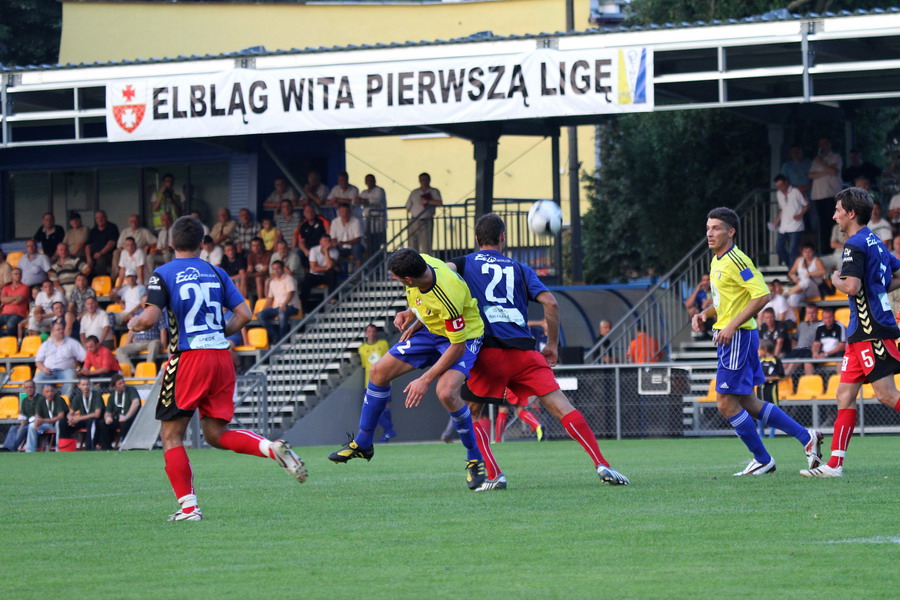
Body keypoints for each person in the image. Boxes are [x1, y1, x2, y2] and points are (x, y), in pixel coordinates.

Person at [129, 215, 306, 521]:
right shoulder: (217, 271)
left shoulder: (163, 272)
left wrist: (131, 321)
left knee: (172, 435)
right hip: (221, 358)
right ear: (202, 244)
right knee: (214, 433)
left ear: (171, 243)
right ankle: (269, 448)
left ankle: (189, 508)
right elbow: (245, 314)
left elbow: (148, 318)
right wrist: (216, 333)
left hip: (189, 358)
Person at [444, 214, 628, 488]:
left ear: (476, 239)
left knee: (471, 411)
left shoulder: (464, 263)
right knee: (560, 405)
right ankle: (602, 463)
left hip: (488, 352)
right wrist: (552, 345)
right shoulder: (521, 269)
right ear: (503, 237)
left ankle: (495, 475)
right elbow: (551, 303)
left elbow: (437, 274)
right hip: (525, 351)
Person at [327, 248, 487, 491]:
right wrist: (412, 313)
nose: (394, 279)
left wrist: (425, 379)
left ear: (409, 279)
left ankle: (475, 459)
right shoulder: (422, 262)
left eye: (395, 277)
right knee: (379, 372)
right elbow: (440, 278)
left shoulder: (449, 294)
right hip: (431, 331)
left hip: (461, 339)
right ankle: (363, 443)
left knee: (446, 393)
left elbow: (457, 346)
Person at [692, 206, 822, 476]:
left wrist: (730, 325)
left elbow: (761, 296)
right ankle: (805, 437)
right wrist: (705, 313)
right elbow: (723, 301)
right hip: (734, 336)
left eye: (715, 228)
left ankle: (763, 458)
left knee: (725, 403)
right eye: (707, 228)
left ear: (731, 232)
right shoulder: (716, 260)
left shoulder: (737, 260)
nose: (710, 233)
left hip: (738, 337)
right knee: (749, 402)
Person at [801, 189, 900, 477]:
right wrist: (878, 288)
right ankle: (834, 465)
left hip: (871, 330)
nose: (834, 216)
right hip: (861, 332)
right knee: (844, 394)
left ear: (851, 214)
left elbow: (852, 287)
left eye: (838, 211)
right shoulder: (877, 243)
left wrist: (834, 278)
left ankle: (835, 464)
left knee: (886, 395)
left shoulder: (854, 244)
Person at [357, 324, 394, 442]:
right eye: (369, 331)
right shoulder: (362, 348)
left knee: (386, 407)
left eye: (373, 331)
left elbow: (389, 361)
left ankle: (388, 433)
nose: (371, 333)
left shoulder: (383, 344)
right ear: (366, 333)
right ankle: (389, 430)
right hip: (369, 383)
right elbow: (364, 366)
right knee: (372, 409)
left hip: (385, 380)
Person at [34, 321, 85, 399]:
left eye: (62, 329)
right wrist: (43, 369)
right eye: (58, 329)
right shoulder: (46, 344)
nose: (61, 331)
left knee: (70, 378)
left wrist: (81, 368)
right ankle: (40, 401)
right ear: (52, 332)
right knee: (37, 379)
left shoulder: (72, 343)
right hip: (48, 371)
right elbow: (38, 361)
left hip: (66, 370)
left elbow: (84, 357)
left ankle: (64, 401)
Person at [809, 137, 843, 253]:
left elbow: (834, 171)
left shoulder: (835, 157)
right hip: (819, 195)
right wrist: (826, 170)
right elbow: (811, 175)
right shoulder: (817, 159)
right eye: (820, 144)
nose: (822, 146)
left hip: (832, 194)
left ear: (829, 144)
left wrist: (821, 164)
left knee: (833, 222)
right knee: (823, 225)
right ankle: (825, 250)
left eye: (824, 143)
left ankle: (836, 248)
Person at [258, 260, 301, 343]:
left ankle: (283, 339)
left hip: (291, 306)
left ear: (282, 269)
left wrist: (284, 304)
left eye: (278, 268)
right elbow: (270, 298)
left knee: (282, 314)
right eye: (274, 269)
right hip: (277, 307)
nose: (276, 271)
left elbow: (290, 293)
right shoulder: (272, 282)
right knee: (261, 315)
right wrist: (263, 309)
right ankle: (275, 336)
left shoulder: (289, 279)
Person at [96, 373, 142, 449]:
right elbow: (108, 411)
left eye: (123, 382)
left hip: (130, 418)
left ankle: (126, 446)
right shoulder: (112, 396)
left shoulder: (131, 390)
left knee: (125, 423)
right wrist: (108, 418)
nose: (123, 384)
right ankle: (106, 447)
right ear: (114, 387)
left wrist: (127, 416)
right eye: (120, 383)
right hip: (119, 418)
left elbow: (136, 403)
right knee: (102, 423)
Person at [772, 173, 809, 267]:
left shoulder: (796, 191)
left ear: (786, 182)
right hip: (784, 226)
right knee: (779, 248)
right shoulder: (778, 194)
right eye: (778, 186)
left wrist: (800, 214)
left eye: (781, 185)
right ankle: (792, 268)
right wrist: (777, 220)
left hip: (796, 226)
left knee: (793, 250)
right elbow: (782, 209)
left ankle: (792, 272)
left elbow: (806, 205)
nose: (780, 188)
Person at [58, 376, 104, 450]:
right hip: (82, 420)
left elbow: (97, 414)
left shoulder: (96, 395)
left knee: (91, 421)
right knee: (63, 422)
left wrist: (78, 418)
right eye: (83, 385)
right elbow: (71, 412)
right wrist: (70, 418)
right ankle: (66, 447)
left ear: (90, 385)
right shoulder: (78, 397)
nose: (85, 387)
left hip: (94, 420)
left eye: (87, 384)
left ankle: (89, 448)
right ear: (79, 386)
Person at [300, 234, 339, 313]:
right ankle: (303, 306)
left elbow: (330, 266)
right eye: (325, 241)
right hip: (315, 276)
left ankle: (332, 298)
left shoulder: (335, 252)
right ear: (320, 242)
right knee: (307, 278)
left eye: (329, 241)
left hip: (326, 276)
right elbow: (314, 268)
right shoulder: (313, 250)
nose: (327, 243)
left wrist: (326, 252)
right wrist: (326, 268)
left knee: (332, 272)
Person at [405, 172, 443, 254]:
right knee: (412, 244)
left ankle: (426, 264)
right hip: (414, 220)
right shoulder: (414, 192)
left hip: (426, 221)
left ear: (429, 180)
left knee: (426, 245)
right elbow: (408, 206)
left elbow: (440, 203)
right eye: (422, 180)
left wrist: (428, 201)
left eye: (426, 180)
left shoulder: (434, 191)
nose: (424, 182)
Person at [25, 383, 67, 453]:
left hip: (57, 424)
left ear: (55, 392)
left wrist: (43, 420)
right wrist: (37, 422)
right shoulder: (41, 400)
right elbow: (37, 415)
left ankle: (58, 449)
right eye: (47, 392)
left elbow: (61, 416)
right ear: (43, 393)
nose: (50, 393)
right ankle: (30, 451)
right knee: (31, 426)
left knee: (58, 424)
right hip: (47, 425)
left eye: (51, 391)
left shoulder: (59, 399)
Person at [113, 214, 155, 283]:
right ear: (128, 222)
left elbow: (155, 243)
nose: (133, 223)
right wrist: (126, 252)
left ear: (139, 222)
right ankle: (115, 275)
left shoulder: (144, 231)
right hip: (126, 254)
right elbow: (119, 246)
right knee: (116, 253)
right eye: (131, 221)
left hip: (141, 254)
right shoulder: (125, 232)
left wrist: (148, 246)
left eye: (135, 221)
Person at [756, 340, 784, 439]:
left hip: (771, 389)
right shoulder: (759, 360)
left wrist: (768, 379)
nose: (758, 351)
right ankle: (761, 433)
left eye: (760, 349)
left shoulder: (776, 360)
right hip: (760, 389)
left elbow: (781, 376)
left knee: (772, 409)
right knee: (758, 410)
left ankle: (772, 434)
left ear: (766, 349)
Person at [783, 303, 821, 377]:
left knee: (794, 363)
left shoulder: (821, 325)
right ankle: (781, 379)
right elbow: (794, 338)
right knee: (784, 362)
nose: (811, 315)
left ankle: (782, 378)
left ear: (817, 312)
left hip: (809, 350)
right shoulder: (802, 325)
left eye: (813, 313)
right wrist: (793, 348)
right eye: (808, 313)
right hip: (798, 349)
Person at [1, 380, 39, 452]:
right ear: (24, 389)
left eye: (31, 387)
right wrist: (22, 423)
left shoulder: (40, 399)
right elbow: (22, 415)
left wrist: (23, 426)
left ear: (35, 388)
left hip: (37, 423)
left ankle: (12, 448)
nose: (29, 389)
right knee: (13, 428)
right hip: (27, 423)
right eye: (26, 388)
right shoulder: (24, 400)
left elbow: (40, 415)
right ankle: (7, 447)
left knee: (22, 429)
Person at [786, 244, 827, 309]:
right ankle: (794, 317)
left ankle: (787, 294)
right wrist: (794, 277)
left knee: (807, 281)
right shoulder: (799, 260)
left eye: (809, 252)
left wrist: (811, 274)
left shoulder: (817, 260)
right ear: (802, 253)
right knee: (793, 297)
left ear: (813, 252)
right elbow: (791, 272)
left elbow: (823, 271)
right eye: (805, 252)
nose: (807, 254)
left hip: (814, 288)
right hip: (801, 289)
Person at [330, 203, 365, 272]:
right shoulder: (335, 222)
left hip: (354, 247)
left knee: (357, 247)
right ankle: (337, 271)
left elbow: (358, 239)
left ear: (350, 212)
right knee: (331, 249)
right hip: (341, 248)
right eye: (342, 212)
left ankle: (358, 275)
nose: (345, 214)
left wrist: (344, 242)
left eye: (347, 211)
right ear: (339, 212)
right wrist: (335, 243)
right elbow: (333, 237)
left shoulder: (356, 221)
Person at [811, 306, 846, 373]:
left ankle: (840, 379)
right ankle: (810, 380)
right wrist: (815, 352)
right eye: (826, 318)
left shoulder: (840, 326)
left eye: (830, 317)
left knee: (840, 358)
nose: (828, 320)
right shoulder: (819, 327)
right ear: (823, 319)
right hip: (823, 353)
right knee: (808, 361)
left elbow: (841, 346)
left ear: (834, 317)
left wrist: (826, 354)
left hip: (836, 352)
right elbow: (816, 343)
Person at [85, 210, 119, 277]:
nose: (100, 220)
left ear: (106, 217)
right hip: (93, 255)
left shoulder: (112, 227)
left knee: (100, 261)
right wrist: (88, 258)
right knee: (82, 263)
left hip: (107, 255)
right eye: (97, 218)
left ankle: (101, 281)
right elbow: (88, 246)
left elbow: (111, 243)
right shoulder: (94, 230)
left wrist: (101, 253)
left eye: (102, 217)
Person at [295, 204, 329, 270]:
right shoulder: (303, 225)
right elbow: (301, 242)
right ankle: (306, 272)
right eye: (307, 212)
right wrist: (305, 251)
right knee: (297, 252)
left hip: (321, 246)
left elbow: (329, 233)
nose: (310, 213)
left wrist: (325, 245)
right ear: (304, 214)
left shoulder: (321, 220)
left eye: (311, 211)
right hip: (309, 248)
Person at [358, 173, 387, 250]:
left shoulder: (380, 190)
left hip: (378, 222)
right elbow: (357, 200)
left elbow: (375, 200)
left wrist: (363, 200)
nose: (369, 182)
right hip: (367, 221)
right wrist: (361, 200)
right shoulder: (364, 192)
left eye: (371, 180)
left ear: (375, 181)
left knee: (377, 243)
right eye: (367, 180)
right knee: (368, 243)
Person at [0, 268, 29, 335]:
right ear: (11, 276)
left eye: (19, 274)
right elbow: (2, 299)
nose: (18, 275)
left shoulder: (25, 287)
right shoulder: (6, 288)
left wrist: (7, 300)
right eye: (15, 274)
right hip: (4, 314)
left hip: (18, 314)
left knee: (10, 324)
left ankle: (11, 341)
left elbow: (18, 301)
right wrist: (15, 297)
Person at [246, 237, 272, 301]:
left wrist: (252, 274)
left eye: (258, 245)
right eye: (253, 246)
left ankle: (260, 301)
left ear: (262, 245)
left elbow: (265, 271)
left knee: (258, 278)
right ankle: (243, 301)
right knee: (243, 277)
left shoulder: (268, 254)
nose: (256, 248)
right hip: (255, 276)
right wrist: (248, 274)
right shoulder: (250, 255)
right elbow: (250, 269)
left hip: (267, 276)